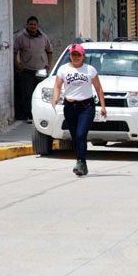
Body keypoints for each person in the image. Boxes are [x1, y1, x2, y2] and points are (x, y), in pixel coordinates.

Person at [51, 43, 106, 176]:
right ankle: (81, 162)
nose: (75, 57)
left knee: (81, 134)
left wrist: (103, 106)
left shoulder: (90, 70)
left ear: (83, 56)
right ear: (70, 56)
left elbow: (98, 88)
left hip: (86, 107)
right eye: (73, 54)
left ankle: (81, 161)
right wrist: (55, 98)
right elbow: (58, 86)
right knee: (75, 137)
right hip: (70, 107)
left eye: (78, 55)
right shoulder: (63, 69)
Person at [14, 16, 53, 121]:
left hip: (41, 70)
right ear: (27, 25)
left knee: (41, 93)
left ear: (37, 25)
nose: (33, 26)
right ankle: (29, 115)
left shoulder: (43, 37)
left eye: (34, 24)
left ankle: (42, 114)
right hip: (27, 70)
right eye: (31, 24)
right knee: (28, 93)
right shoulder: (21, 37)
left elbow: (49, 51)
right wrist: (17, 63)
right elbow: (14, 51)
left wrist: (49, 64)